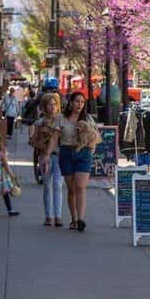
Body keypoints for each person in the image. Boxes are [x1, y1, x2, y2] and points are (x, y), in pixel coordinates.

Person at [45, 90, 99, 232]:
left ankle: (81, 220)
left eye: (82, 102)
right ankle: (74, 218)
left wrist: (90, 148)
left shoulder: (88, 119)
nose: (79, 105)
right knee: (71, 189)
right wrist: (47, 155)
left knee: (81, 187)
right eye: (77, 101)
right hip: (66, 153)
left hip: (83, 153)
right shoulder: (61, 118)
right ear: (71, 103)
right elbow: (54, 138)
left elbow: (95, 136)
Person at [31, 92, 64, 227]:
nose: (52, 107)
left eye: (54, 104)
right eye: (49, 104)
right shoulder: (40, 122)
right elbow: (34, 141)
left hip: (59, 156)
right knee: (47, 186)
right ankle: (48, 216)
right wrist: (43, 146)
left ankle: (58, 216)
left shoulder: (62, 121)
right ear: (44, 106)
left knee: (58, 185)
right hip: (45, 157)